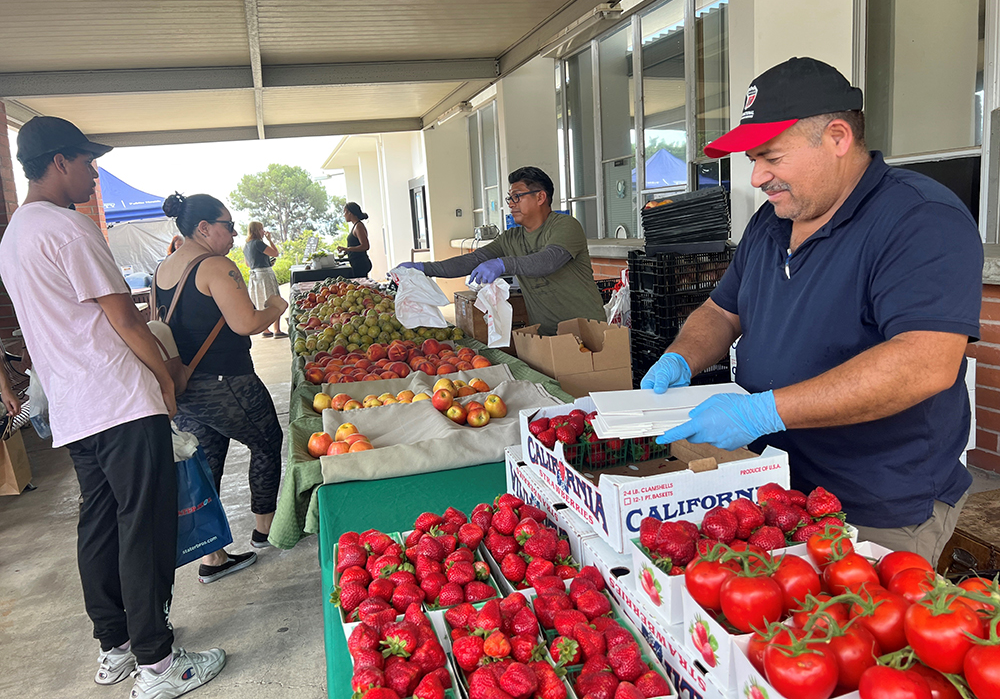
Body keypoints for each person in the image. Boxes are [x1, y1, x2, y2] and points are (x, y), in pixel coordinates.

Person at [642, 57, 983, 564]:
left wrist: (764, 410)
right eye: (754, 159)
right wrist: (680, 359)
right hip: (772, 486)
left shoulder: (919, 219)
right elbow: (721, 310)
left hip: (873, 506)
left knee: (845, 637)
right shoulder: (772, 221)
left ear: (838, 137)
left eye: (771, 157)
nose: (757, 176)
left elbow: (924, 362)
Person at [0, 116, 225, 697]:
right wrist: (166, 376)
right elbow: (123, 318)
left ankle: (116, 647)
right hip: (119, 399)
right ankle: (158, 664)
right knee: (144, 525)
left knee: (100, 523)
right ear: (58, 163)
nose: (94, 175)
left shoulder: (16, 234)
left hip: (76, 407)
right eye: (87, 162)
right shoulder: (70, 231)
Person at [156, 192, 288, 581]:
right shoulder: (215, 265)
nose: (232, 234)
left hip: (188, 386)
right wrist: (276, 309)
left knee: (207, 461)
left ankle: (212, 556)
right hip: (227, 380)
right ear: (203, 228)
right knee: (266, 441)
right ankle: (264, 531)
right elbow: (245, 323)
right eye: (227, 226)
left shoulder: (165, 267)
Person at [398, 166, 605, 336]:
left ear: (541, 197)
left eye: (517, 197)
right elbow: (473, 259)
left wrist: (503, 264)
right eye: (510, 199)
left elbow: (549, 261)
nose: (511, 205)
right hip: (546, 334)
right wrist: (424, 268)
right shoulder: (511, 238)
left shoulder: (565, 226)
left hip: (588, 331)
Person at [243, 221, 286, 337]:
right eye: (262, 229)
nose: (264, 232)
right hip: (265, 274)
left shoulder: (246, 245)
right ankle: (277, 329)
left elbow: (248, 264)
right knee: (274, 299)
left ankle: (265, 329)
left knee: (260, 301)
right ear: (257, 230)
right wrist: (270, 240)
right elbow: (275, 253)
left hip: (254, 275)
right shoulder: (258, 243)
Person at [337, 201, 373, 278]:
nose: (344, 215)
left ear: (349, 212)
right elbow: (355, 245)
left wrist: (348, 249)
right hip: (356, 263)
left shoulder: (358, 226)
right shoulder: (356, 226)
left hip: (360, 263)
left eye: (344, 212)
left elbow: (365, 246)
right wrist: (346, 251)